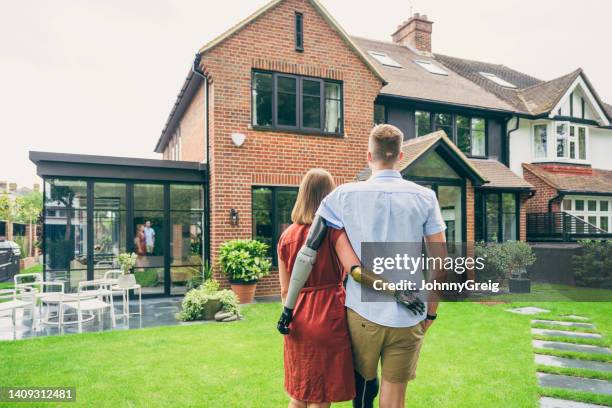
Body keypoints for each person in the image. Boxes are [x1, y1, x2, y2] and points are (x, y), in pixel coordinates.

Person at [281, 124, 447, 408]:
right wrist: (430, 314)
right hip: (410, 315)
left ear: (369, 156)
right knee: (394, 399)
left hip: (361, 314)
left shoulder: (341, 196)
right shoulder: (426, 197)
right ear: (401, 156)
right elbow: (440, 263)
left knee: (362, 393)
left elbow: (309, 249)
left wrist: (288, 308)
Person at [278, 169, 360, 408]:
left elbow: (285, 290)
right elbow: (353, 269)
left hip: (296, 316)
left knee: (300, 392)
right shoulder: (333, 232)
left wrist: (291, 310)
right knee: (320, 397)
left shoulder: (286, 236)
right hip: (328, 315)